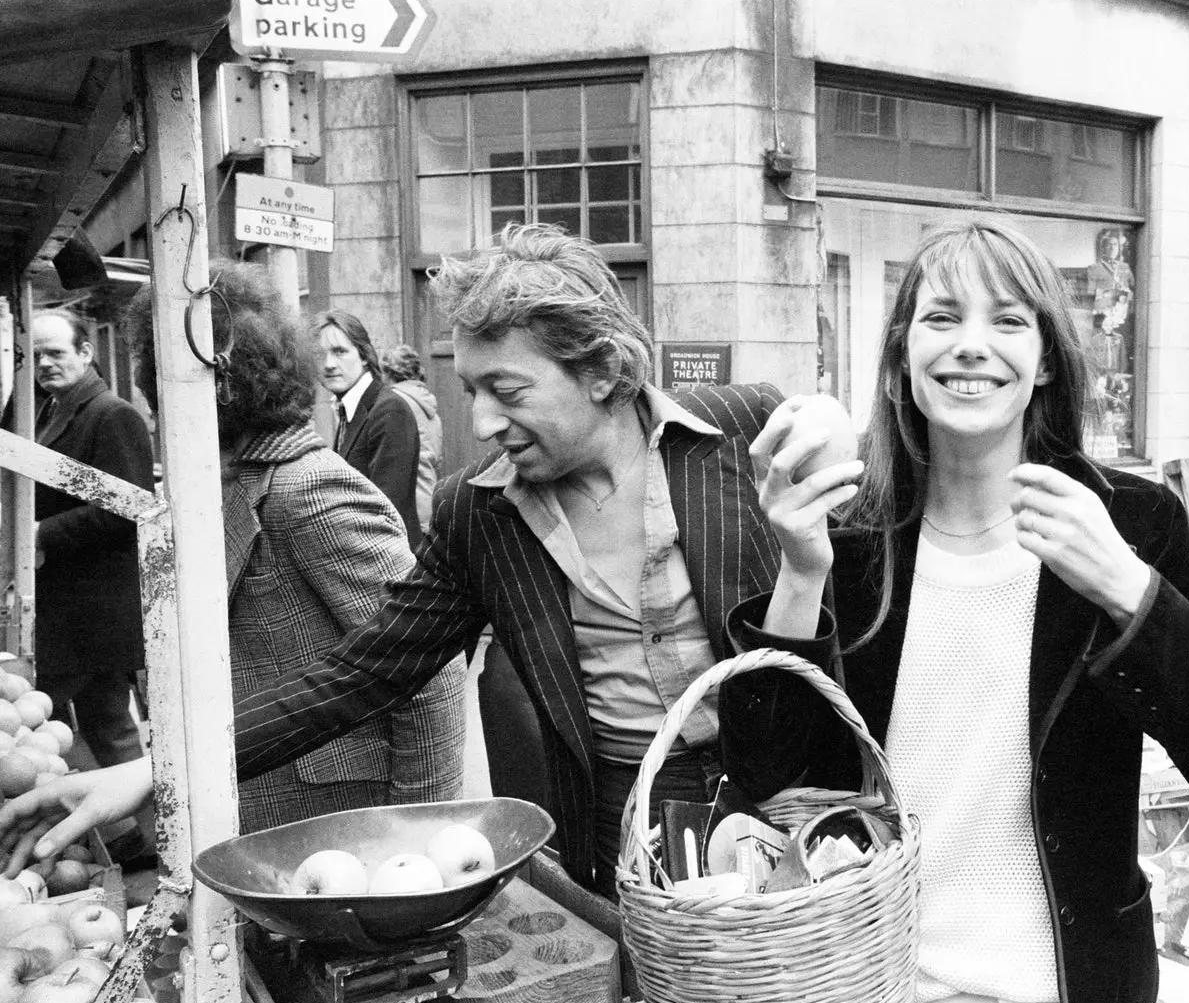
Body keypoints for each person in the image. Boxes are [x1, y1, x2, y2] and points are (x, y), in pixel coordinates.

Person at [0, 224, 787, 892]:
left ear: (605, 371)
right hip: (617, 821)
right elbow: (363, 672)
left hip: (783, 806)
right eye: (469, 388)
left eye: (506, 390)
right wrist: (157, 769)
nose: (480, 421)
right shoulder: (480, 512)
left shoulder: (744, 430)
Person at [720, 218, 1189, 1003]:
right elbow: (767, 776)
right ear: (903, 355)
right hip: (874, 996)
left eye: (1008, 320)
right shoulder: (855, 537)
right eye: (942, 318)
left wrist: (1129, 587)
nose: (971, 345)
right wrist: (801, 575)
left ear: (1046, 358)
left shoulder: (1127, 521)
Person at [119, 261, 466, 832]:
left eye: (160, 395)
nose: (157, 419)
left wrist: (421, 837)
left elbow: (430, 670)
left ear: (220, 388)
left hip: (342, 824)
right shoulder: (242, 481)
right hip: (271, 806)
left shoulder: (306, 489)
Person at [30, 310, 153, 774]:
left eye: (56, 353)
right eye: (37, 355)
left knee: (97, 728)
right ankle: (129, 840)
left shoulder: (112, 415)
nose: (44, 364)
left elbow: (126, 510)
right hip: (70, 610)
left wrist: (41, 533)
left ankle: (140, 837)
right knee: (93, 726)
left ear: (86, 353)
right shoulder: (47, 409)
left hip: (93, 611)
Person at [313, 310, 424, 548]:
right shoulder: (349, 410)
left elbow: (386, 510)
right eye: (320, 355)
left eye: (340, 352)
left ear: (364, 356)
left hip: (390, 564)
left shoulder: (389, 410)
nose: (329, 364)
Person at [378, 344, 444, 530]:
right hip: (430, 497)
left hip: (408, 507)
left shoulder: (395, 403)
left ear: (388, 372)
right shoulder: (428, 405)